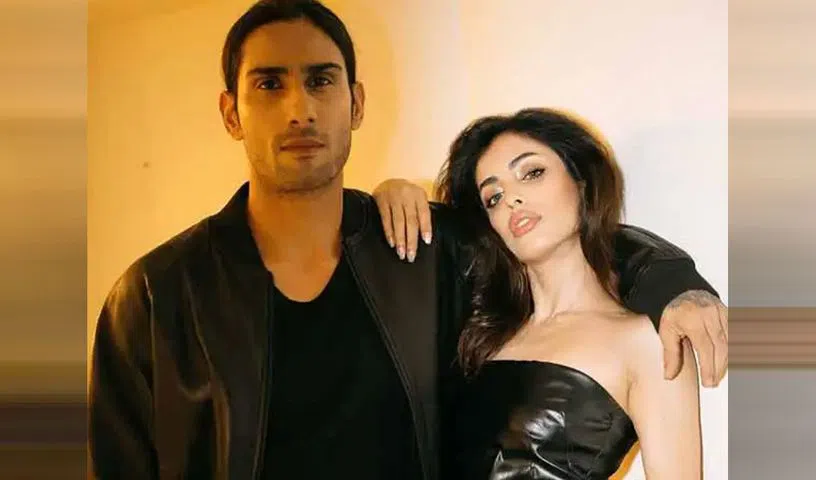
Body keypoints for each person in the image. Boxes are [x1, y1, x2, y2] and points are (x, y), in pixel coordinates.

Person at [87, 1, 726, 479]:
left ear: (356, 103)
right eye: (269, 83)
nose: (299, 109)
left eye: (321, 79)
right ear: (232, 112)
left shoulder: (422, 250)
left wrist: (673, 283)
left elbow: (558, 241)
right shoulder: (155, 295)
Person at [433, 107, 703, 479]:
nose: (511, 199)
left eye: (532, 173)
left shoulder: (648, 341)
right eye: (493, 197)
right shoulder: (477, 336)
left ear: (582, 182)